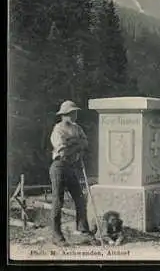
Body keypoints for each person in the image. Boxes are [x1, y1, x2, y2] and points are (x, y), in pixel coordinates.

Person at [49, 100, 93, 246]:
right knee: (58, 200)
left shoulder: (77, 128)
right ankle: (56, 235)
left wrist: (73, 143)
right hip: (59, 166)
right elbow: (63, 150)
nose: (74, 115)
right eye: (71, 113)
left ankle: (83, 230)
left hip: (72, 166)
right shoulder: (58, 130)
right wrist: (77, 144)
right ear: (64, 115)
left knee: (80, 198)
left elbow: (85, 143)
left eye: (75, 113)